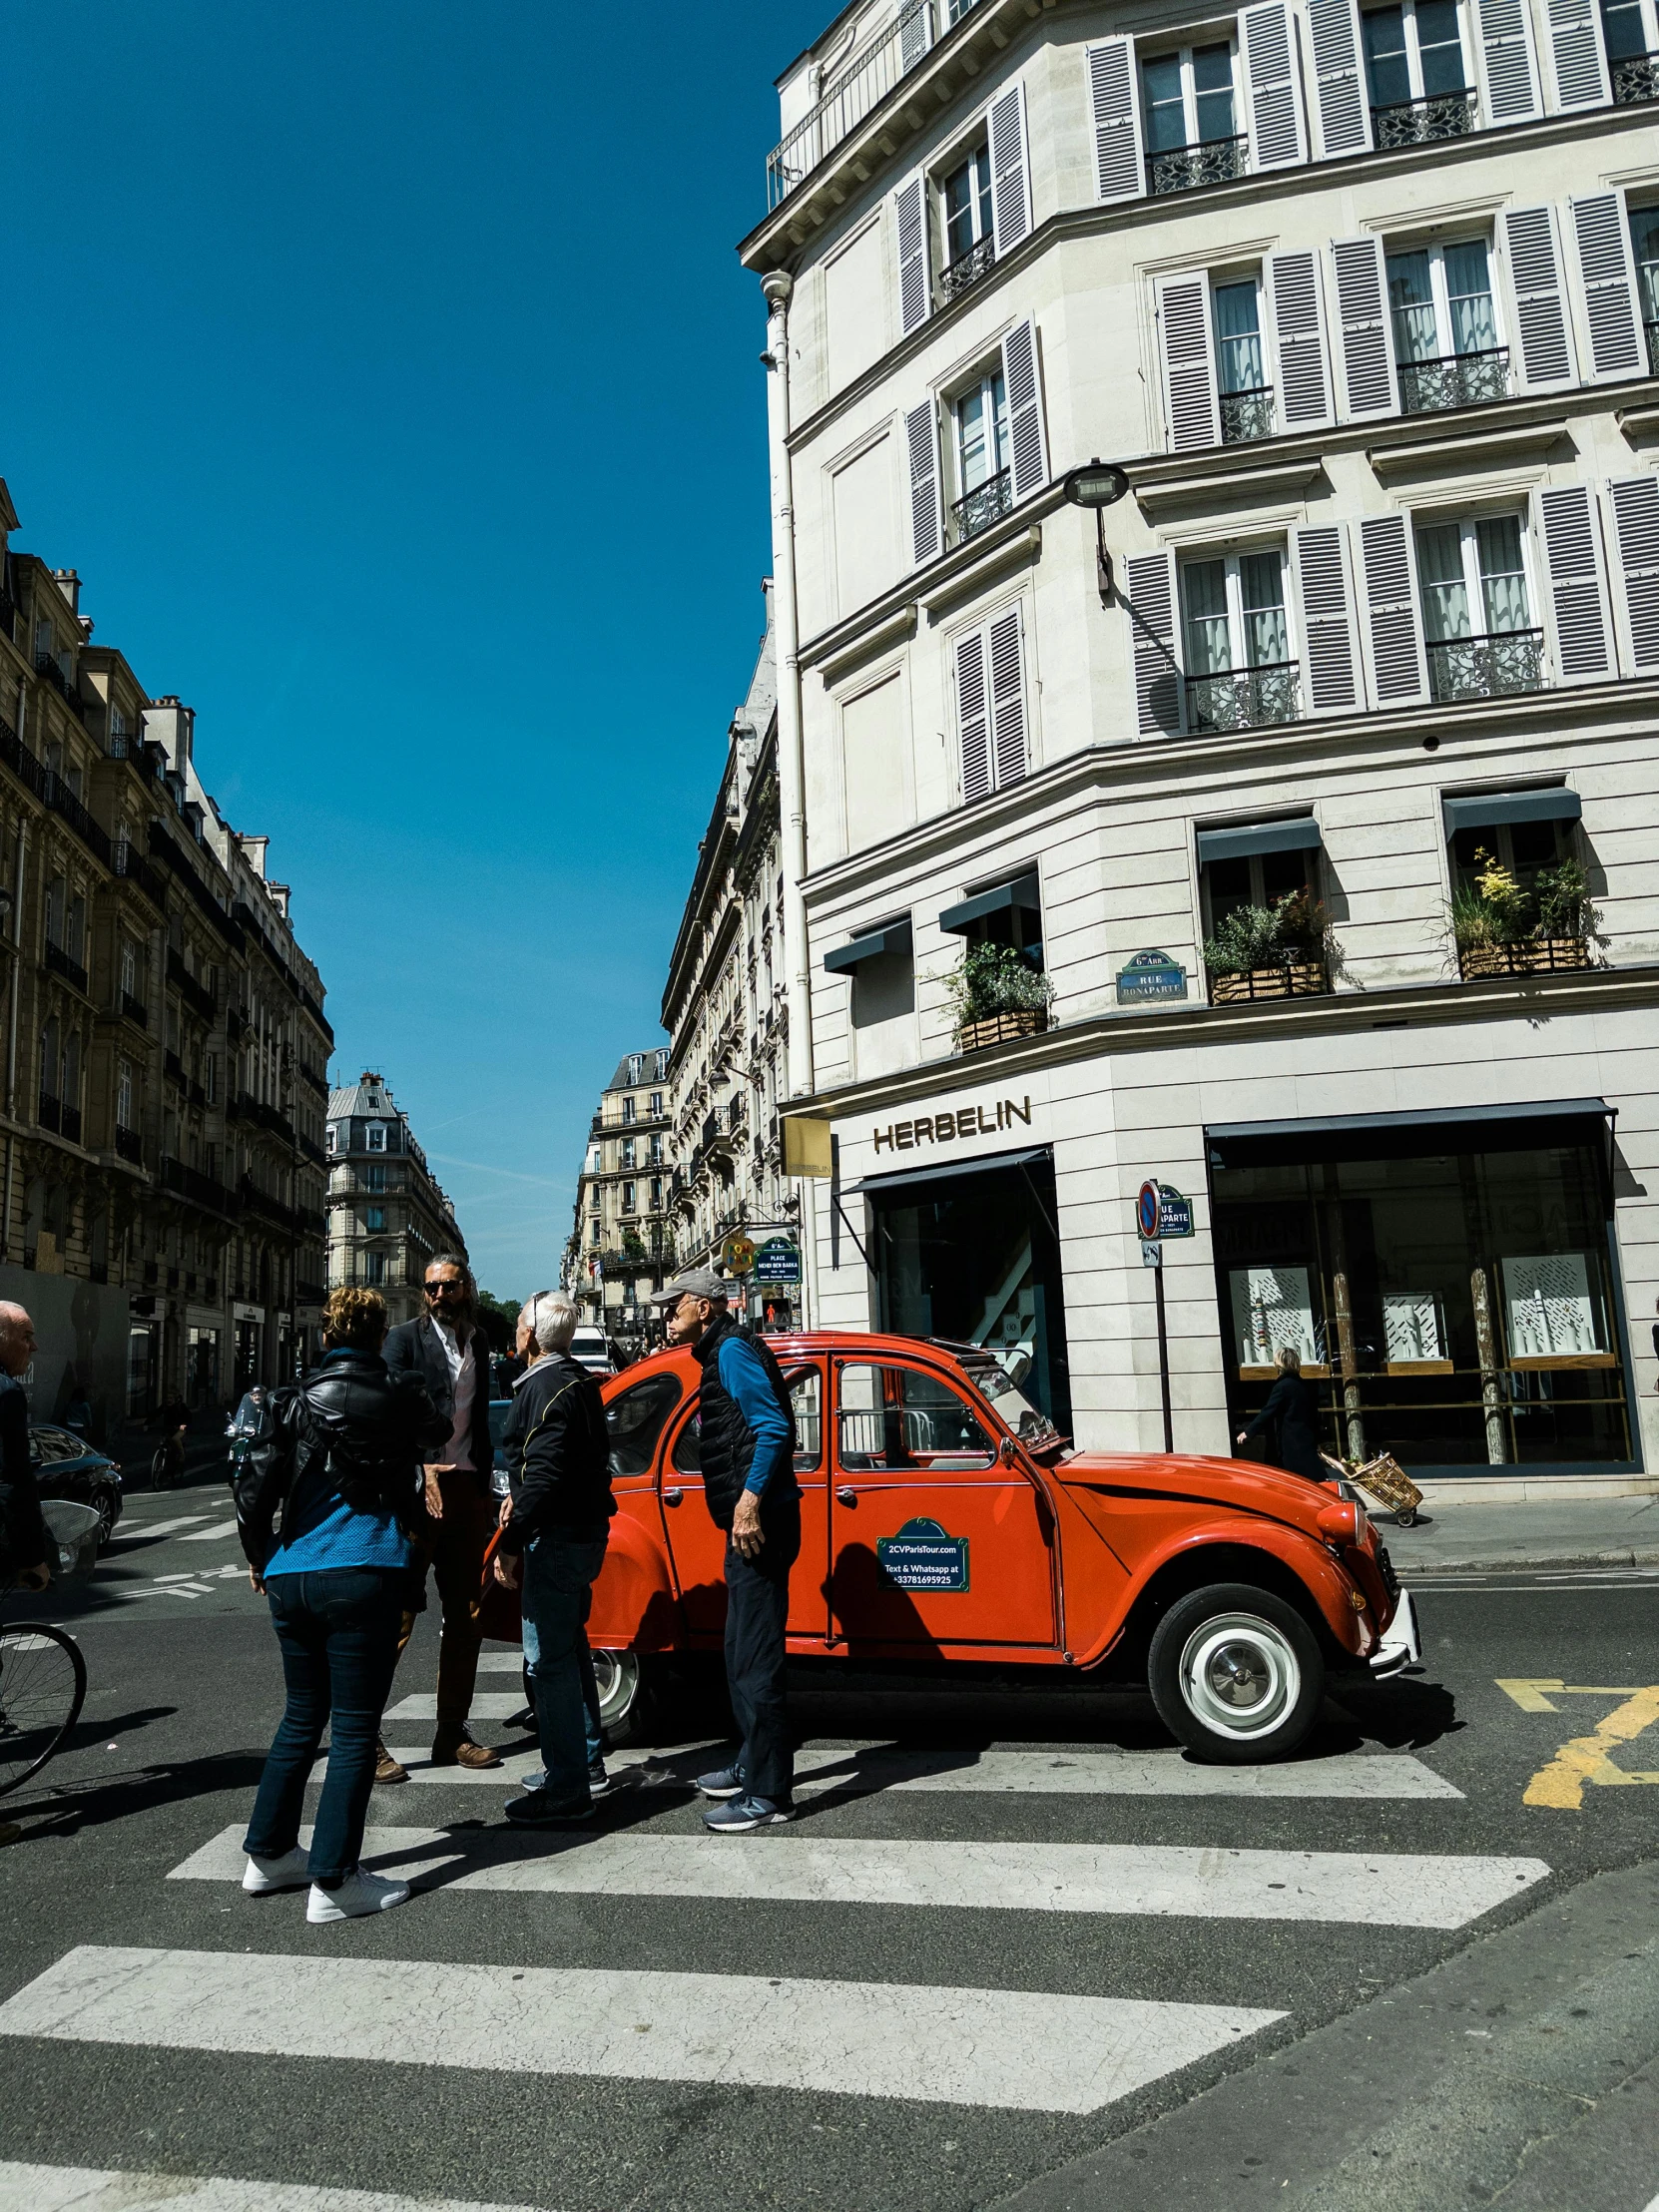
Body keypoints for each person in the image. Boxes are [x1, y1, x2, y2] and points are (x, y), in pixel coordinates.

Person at [236, 1285, 446, 1924]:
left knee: (302, 1716)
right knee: (355, 1727)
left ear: (325, 1336)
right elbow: (440, 1431)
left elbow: (252, 1487)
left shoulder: (291, 1399)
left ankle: (269, 1855)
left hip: (292, 1572)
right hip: (364, 1568)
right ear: (380, 1335)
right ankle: (334, 1880)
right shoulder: (398, 1394)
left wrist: (260, 1555)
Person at [654, 1267, 800, 1833]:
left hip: (760, 1523)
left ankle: (768, 1795)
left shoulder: (733, 1353)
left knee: (756, 1659)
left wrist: (748, 1502)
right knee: (739, 1650)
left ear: (705, 1309)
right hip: (753, 1522)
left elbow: (771, 1429)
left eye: (676, 1306)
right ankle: (750, 1763)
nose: (667, 1316)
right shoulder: (722, 1353)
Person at [494, 1290, 616, 1826]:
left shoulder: (543, 1385)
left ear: (530, 1335)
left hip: (557, 1536)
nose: (517, 1329)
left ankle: (568, 1787)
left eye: (521, 1321)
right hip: (581, 1531)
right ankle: (582, 1764)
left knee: (549, 1662)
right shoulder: (576, 1380)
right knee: (568, 1650)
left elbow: (542, 1476)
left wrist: (513, 1539)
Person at [380, 1253, 501, 1778]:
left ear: (467, 1286)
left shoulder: (479, 1342)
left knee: (467, 1616)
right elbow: (385, 1412)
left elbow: (479, 1420)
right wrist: (418, 1464)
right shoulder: (403, 1340)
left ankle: (451, 1732)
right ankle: (364, 1738)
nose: (438, 1296)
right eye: (430, 1288)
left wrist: (488, 1488)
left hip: (467, 1488)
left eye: (448, 1286)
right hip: (417, 1492)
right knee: (397, 1619)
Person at [0, 1302, 49, 1596]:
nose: (34, 1347)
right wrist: (32, 1559)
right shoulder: (6, 1392)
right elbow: (12, 1480)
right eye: (26, 1336)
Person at [1237, 1342, 1327, 1481]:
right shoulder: (1305, 1385)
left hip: (1290, 1441)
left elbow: (1268, 1411)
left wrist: (1248, 1432)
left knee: (1291, 1478)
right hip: (1306, 1437)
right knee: (1310, 1476)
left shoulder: (1282, 1386)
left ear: (1279, 1365)